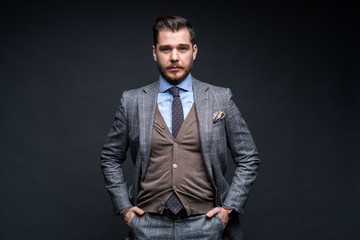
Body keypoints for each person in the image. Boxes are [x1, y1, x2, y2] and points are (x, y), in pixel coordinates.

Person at [100, 15, 260, 240]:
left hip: (207, 225)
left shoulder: (220, 98)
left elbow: (248, 157)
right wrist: (125, 209)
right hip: (147, 226)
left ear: (194, 51)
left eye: (182, 48)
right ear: (155, 53)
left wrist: (228, 210)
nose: (174, 57)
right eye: (166, 49)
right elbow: (110, 157)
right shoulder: (133, 101)